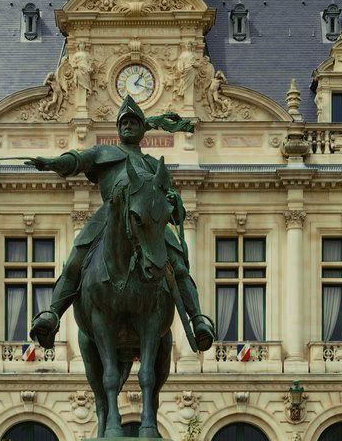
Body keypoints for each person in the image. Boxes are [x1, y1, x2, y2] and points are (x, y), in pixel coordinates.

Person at [26, 96, 215, 353]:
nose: (127, 126)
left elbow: (173, 211)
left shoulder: (153, 164)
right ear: (117, 128)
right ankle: (52, 315)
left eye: (133, 122)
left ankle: (198, 321)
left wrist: (174, 202)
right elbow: (76, 160)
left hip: (148, 222)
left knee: (179, 266)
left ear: (141, 128)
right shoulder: (105, 153)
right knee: (75, 260)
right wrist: (52, 163)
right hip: (110, 217)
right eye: (123, 122)